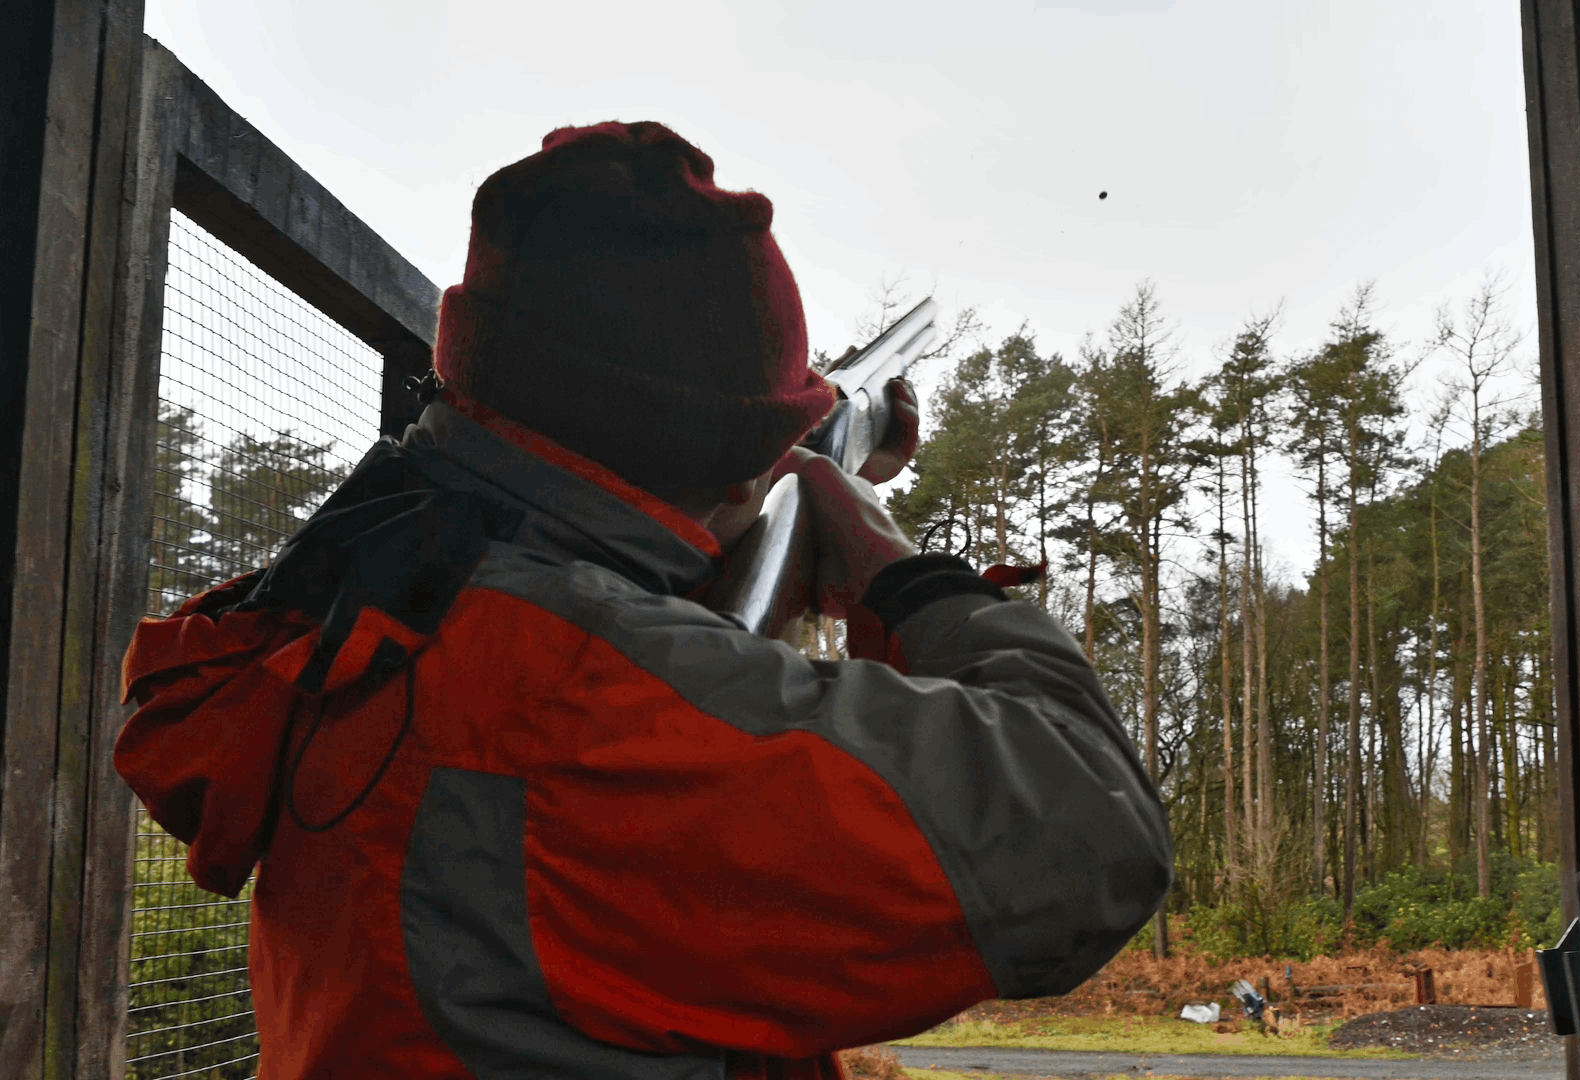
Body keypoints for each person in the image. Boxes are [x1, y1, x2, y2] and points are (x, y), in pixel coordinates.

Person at [115, 120, 1172, 1080]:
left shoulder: (378, 601)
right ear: (722, 459)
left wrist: (762, 512)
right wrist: (889, 560)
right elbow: (1094, 834)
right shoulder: (576, 697)